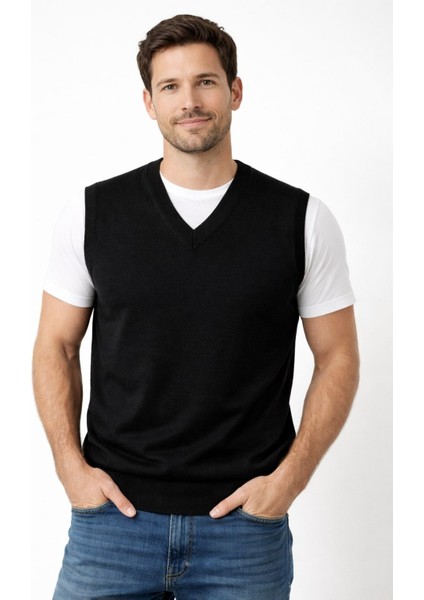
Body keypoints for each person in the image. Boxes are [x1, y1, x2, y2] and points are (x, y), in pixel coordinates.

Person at [32, 13, 360, 600]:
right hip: (112, 523)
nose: (189, 101)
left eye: (206, 82)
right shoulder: (91, 214)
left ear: (235, 91)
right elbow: (55, 344)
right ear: (149, 102)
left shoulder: (301, 220)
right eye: (171, 86)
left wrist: (287, 483)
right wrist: (70, 469)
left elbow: (339, 356)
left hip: (244, 533)